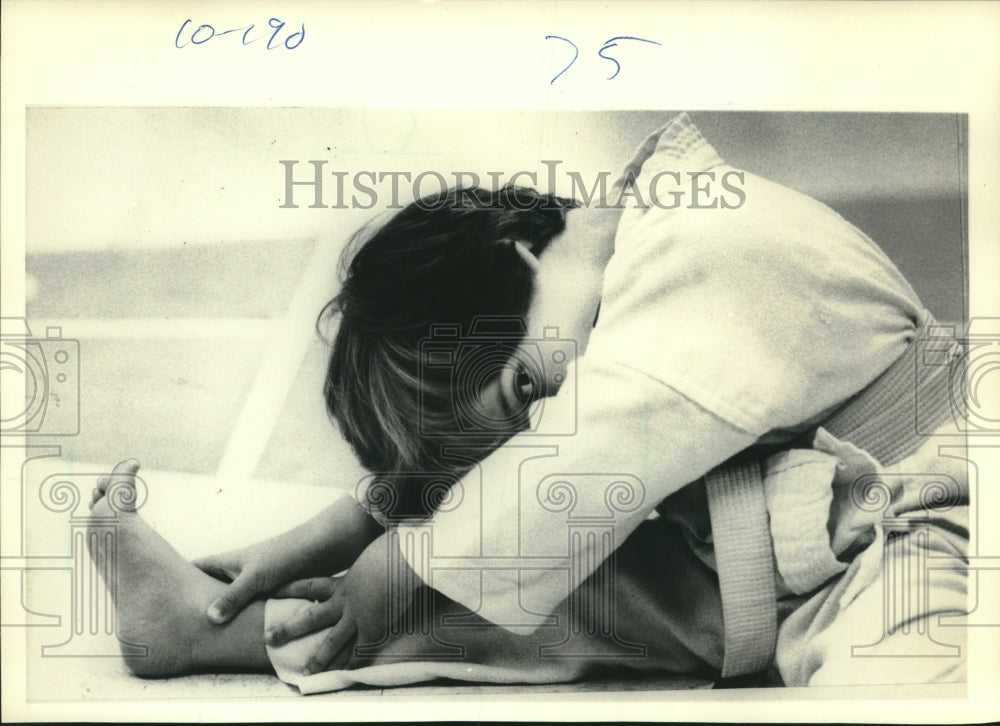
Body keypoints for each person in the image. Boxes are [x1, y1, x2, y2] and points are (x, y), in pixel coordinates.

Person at [87, 112, 969, 690]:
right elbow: (534, 464)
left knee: (909, 678)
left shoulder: (705, 241)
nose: (544, 415)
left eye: (522, 388)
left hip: (922, 518)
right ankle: (202, 630)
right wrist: (355, 523)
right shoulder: (595, 272)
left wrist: (401, 560)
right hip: (760, 534)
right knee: (521, 587)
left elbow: (574, 460)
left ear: (519, 257)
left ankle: (225, 634)